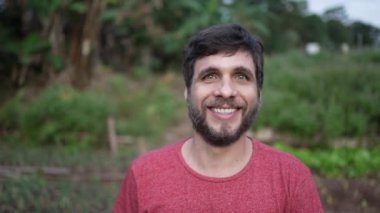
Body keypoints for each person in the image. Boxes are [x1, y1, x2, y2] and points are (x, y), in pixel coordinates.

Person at [113, 24, 323, 212]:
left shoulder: (291, 179)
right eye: (210, 76)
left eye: (241, 76)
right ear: (188, 90)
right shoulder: (143, 176)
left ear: (258, 92)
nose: (225, 91)